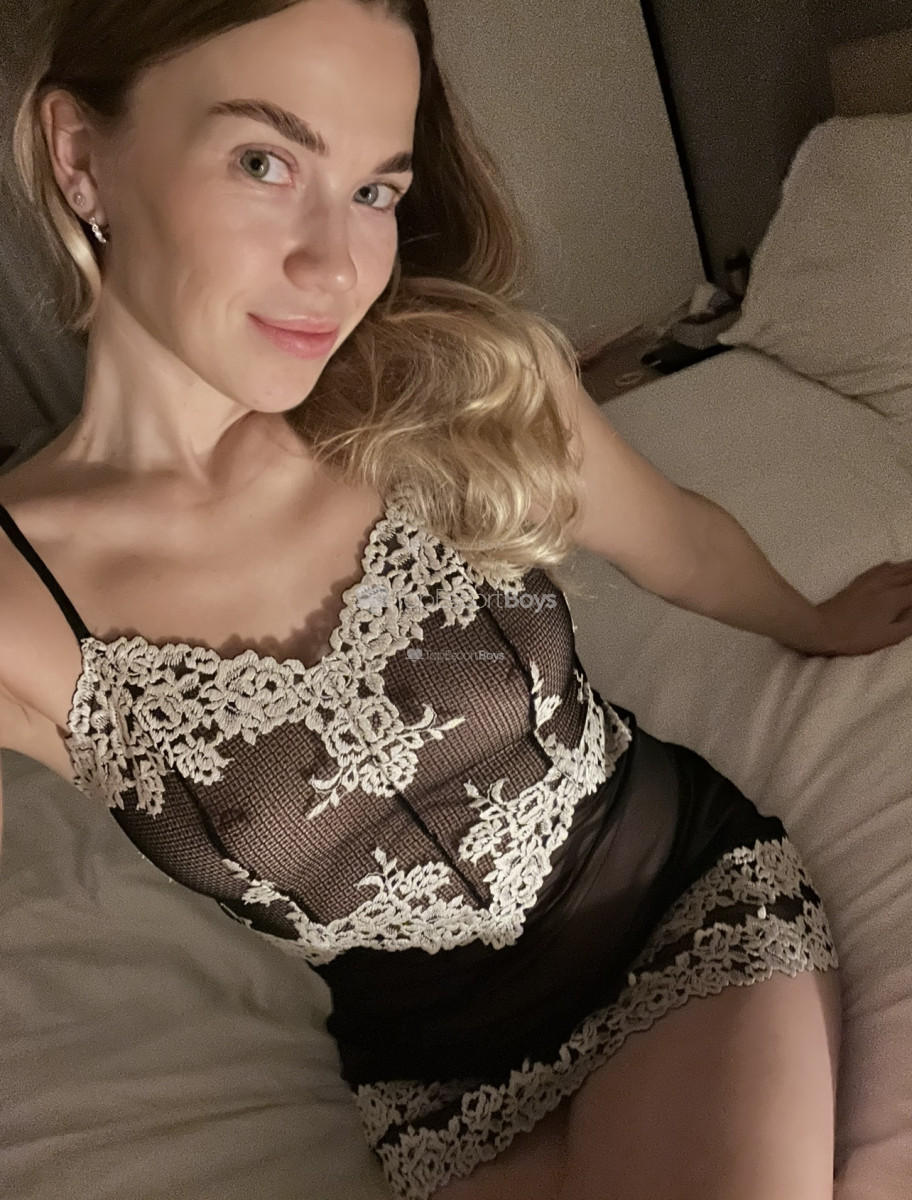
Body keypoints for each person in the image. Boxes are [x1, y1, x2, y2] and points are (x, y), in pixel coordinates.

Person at [2, 2, 912, 1198]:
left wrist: (814, 622)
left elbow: (680, 544)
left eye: (374, 190)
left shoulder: (456, 390)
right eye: (264, 162)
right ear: (80, 156)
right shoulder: (19, 605)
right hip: (435, 1083)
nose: (337, 265)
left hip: (672, 925)